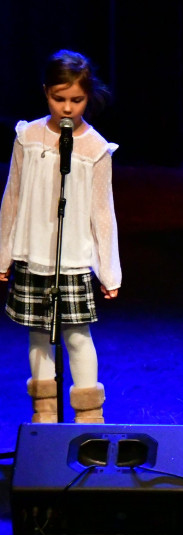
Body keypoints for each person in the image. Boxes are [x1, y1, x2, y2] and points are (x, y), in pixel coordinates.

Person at [0, 49, 120, 423]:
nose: (67, 108)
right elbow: (13, 196)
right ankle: (44, 417)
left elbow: (103, 212)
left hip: (73, 259)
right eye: (59, 98)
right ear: (45, 92)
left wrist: (109, 271)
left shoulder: (95, 148)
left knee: (77, 336)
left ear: (88, 96)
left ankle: (88, 420)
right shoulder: (29, 136)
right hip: (34, 254)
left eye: (76, 100)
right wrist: (3, 255)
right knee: (38, 334)